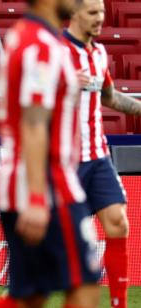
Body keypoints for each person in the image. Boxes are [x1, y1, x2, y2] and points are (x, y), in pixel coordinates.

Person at [0, 0, 102, 306]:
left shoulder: (25, 36)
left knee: (31, 296)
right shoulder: (42, 46)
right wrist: (37, 197)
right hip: (47, 184)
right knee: (85, 285)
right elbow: (33, 122)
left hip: (25, 182)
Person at [64, 1, 141, 306]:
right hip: (64, 163)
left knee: (118, 223)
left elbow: (109, 97)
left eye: (103, 13)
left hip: (97, 157)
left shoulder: (98, 53)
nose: (100, 19)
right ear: (74, 13)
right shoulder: (56, 53)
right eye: (93, 13)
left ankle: (119, 303)